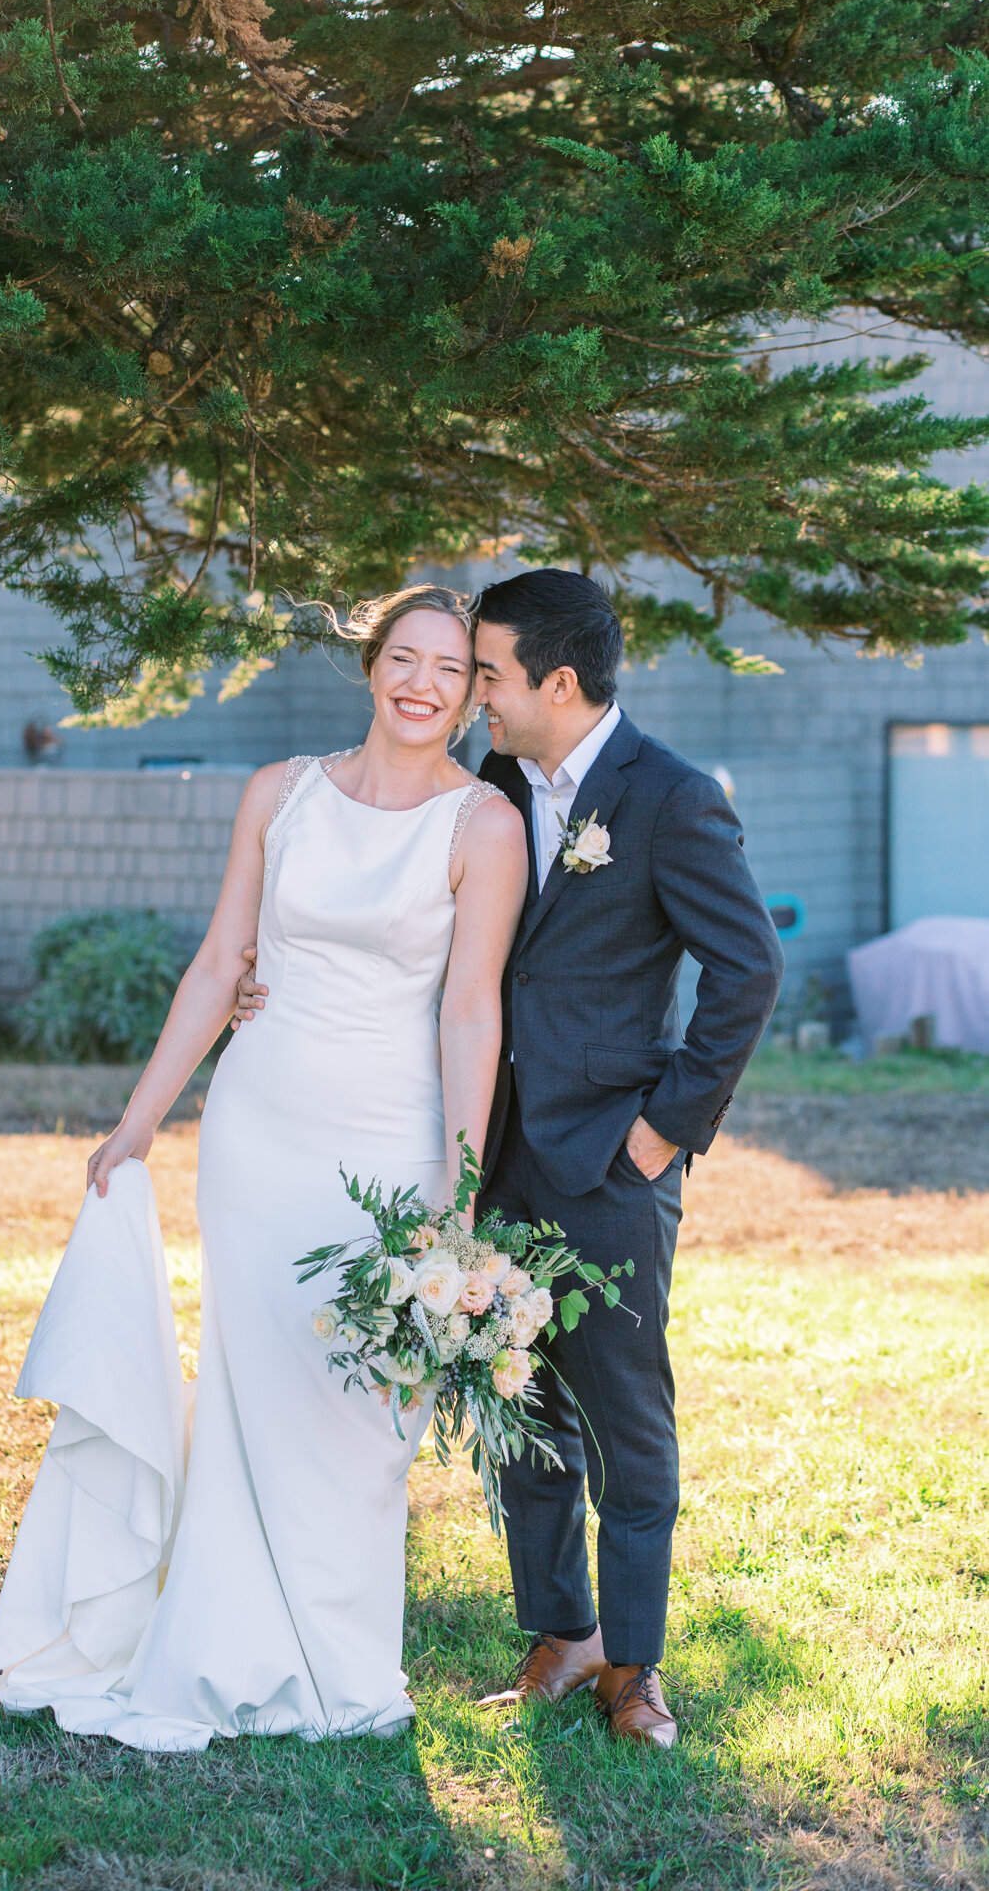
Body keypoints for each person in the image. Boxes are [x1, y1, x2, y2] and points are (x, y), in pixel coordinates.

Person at [236, 568, 784, 1751]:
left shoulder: (671, 800)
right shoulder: (486, 786)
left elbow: (748, 972)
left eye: (486, 672)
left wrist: (662, 1131)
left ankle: (633, 1667)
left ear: (558, 681)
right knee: (521, 1408)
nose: (470, 692)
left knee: (627, 1420)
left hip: (610, 1161)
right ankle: (559, 1632)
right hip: (489, 1152)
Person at [0, 582, 528, 1752]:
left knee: (359, 1411)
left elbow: (471, 1012)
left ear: (475, 692)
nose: (422, 682)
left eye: (450, 668)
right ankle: (223, 1636)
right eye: (404, 656)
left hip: (388, 1140)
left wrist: (461, 1184)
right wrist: (138, 1122)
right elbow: (221, 960)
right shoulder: (278, 793)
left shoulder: (482, 826)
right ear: (370, 662)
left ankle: (339, 1658)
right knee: (246, 1390)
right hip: (257, 1128)